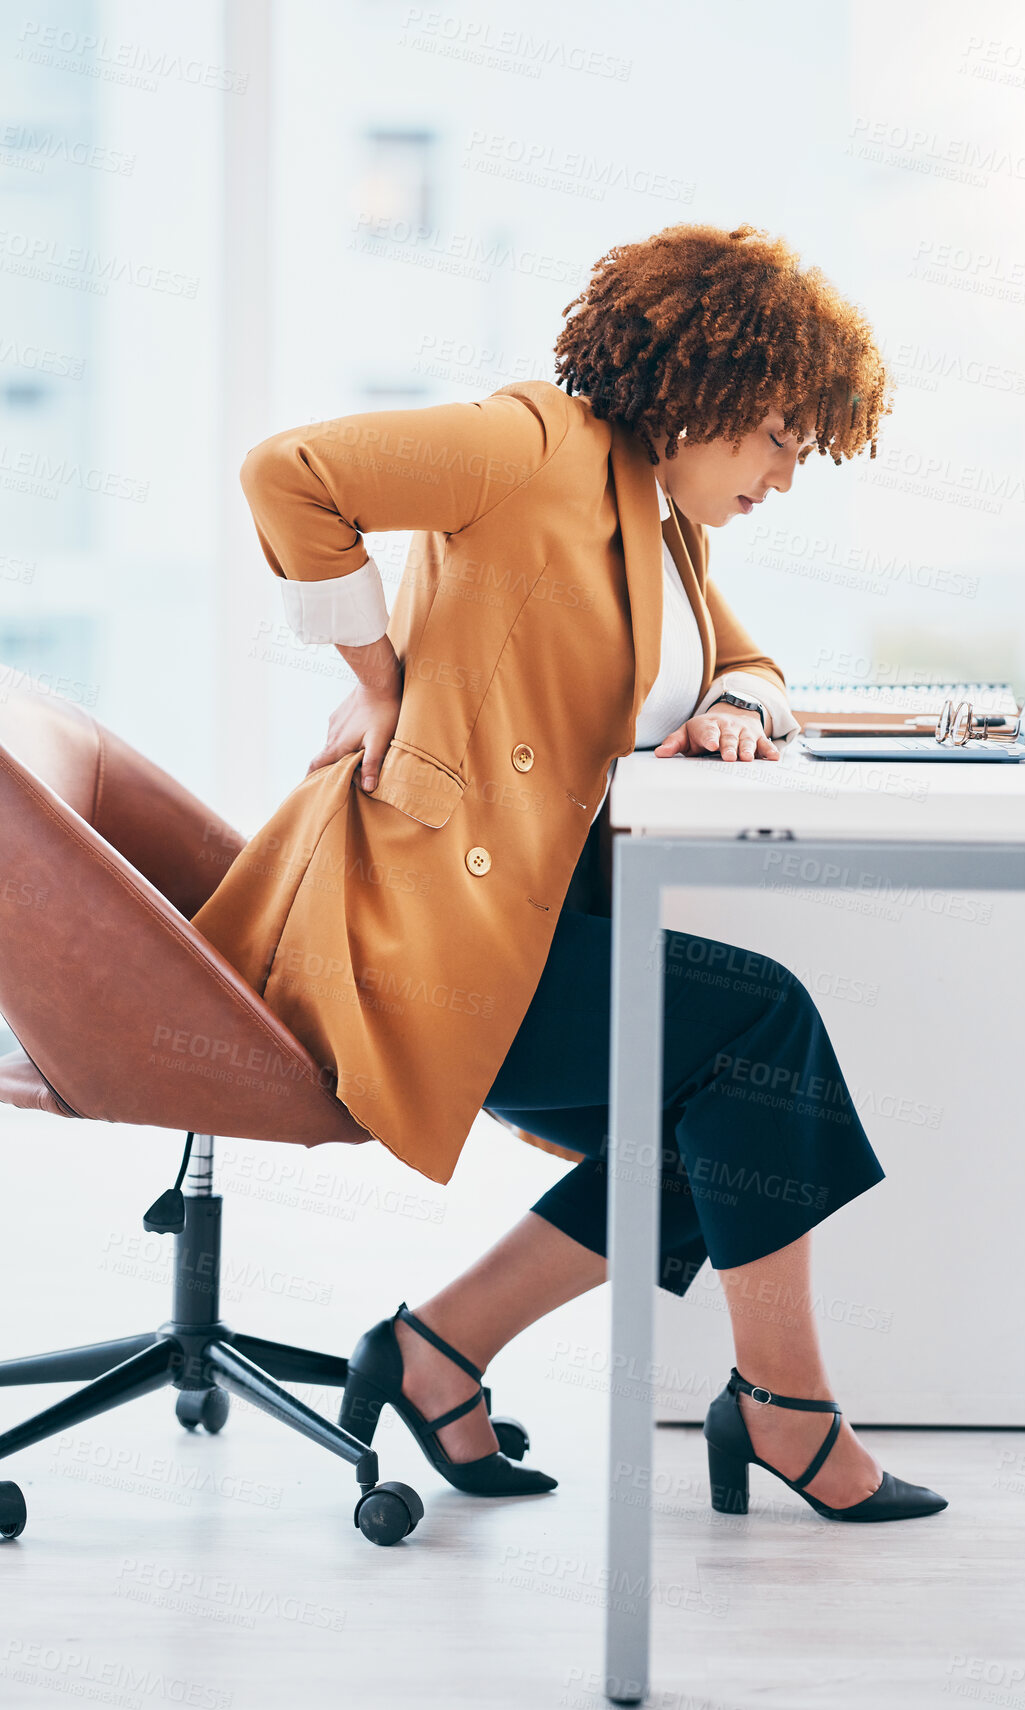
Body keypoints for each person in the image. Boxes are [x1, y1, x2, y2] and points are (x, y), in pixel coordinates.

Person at [191, 222, 945, 1523]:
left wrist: (741, 711)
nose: (785, 469)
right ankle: (784, 1414)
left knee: (717, 1119)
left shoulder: (652, 518)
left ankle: (440, 1348)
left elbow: (745, 659)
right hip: (419, 932)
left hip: (518, 921)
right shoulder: (533, 444)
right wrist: (378, 680)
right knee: (755, 1033)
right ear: (705, 388)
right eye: (776, 433)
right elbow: (288, 473)